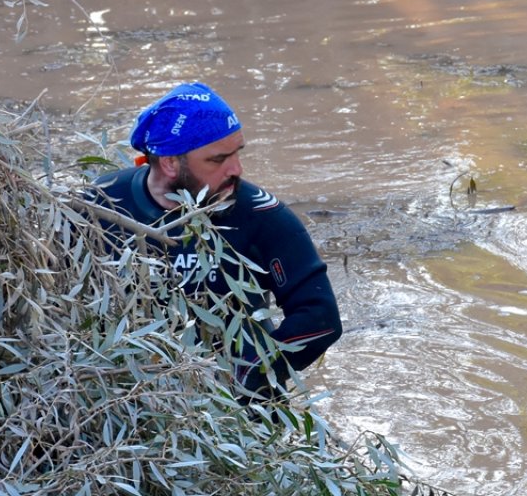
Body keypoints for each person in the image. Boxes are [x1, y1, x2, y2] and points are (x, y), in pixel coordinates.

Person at [92, 82, 342, 399]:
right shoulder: (100, 204)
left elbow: (320, 317)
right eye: (217, 159)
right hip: (131, 399)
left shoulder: (262, 216)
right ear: (170, 162)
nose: (236, 169)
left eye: (237, 153)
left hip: (234, 418)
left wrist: (249, 379)